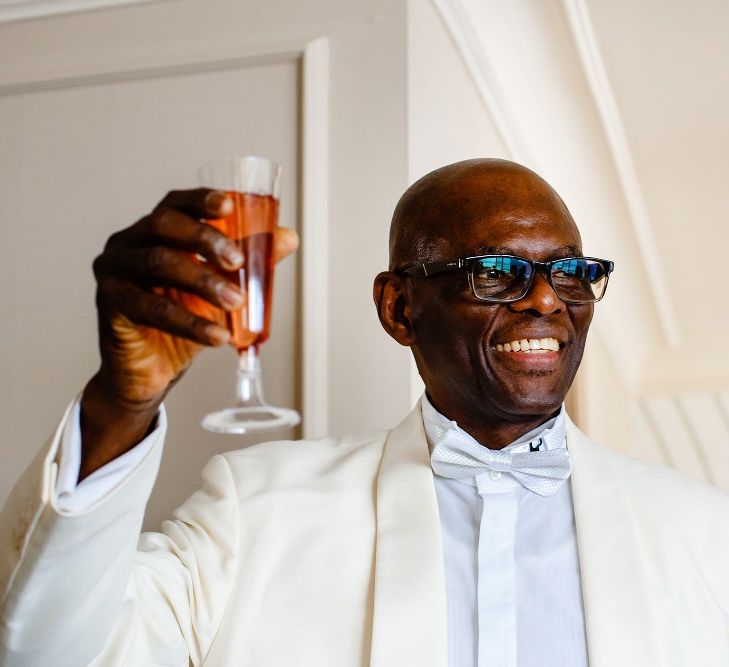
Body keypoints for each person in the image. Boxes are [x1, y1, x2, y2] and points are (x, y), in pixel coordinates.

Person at [1, 158, 727, 666]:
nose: (545, 299)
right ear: (398, 306)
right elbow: (46, 651)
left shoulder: (703, 531)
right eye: (496, 271)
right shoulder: (253, 509)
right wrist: (120, 403)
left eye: (569, 271)